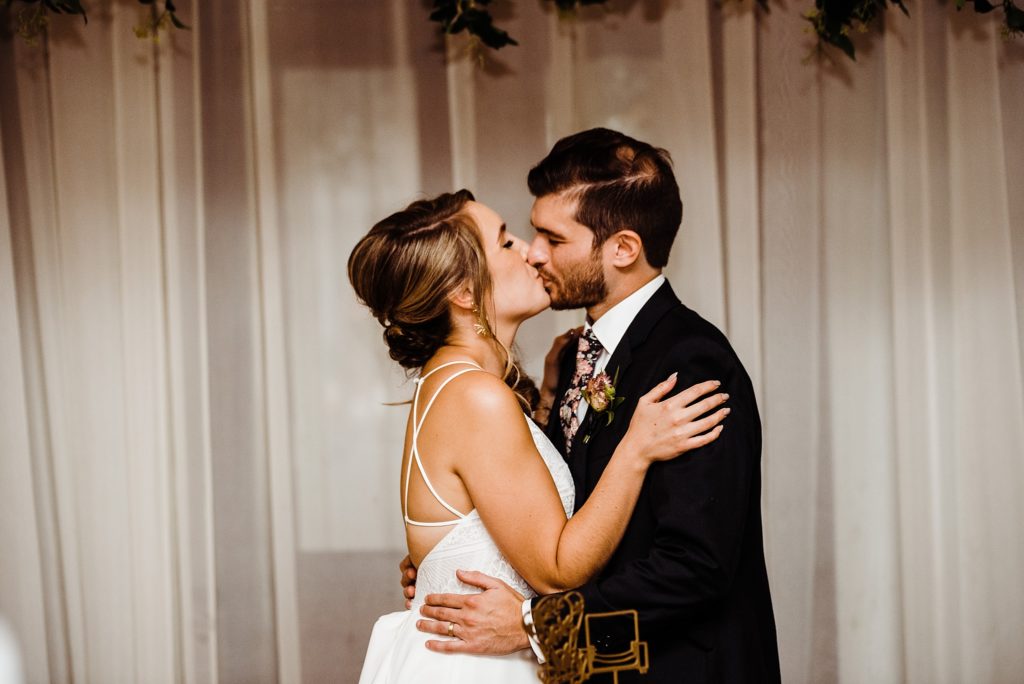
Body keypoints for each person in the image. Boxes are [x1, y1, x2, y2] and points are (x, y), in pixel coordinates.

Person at [412, 129, 781, 682]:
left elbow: (696, 570)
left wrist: (535, 627)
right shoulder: (574, 356)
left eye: (553, 239)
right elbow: (556, 516)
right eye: (532, 234)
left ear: (623, 249)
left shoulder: (692, 362)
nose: (535, 255)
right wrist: (455, 559)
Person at [349, 189, 729, 682]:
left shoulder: (456, 384)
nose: (531, 251)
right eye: (506, 243)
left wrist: (548, 402)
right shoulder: (476, 397)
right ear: (464, 293)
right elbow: (555, 569)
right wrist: (635, 449)